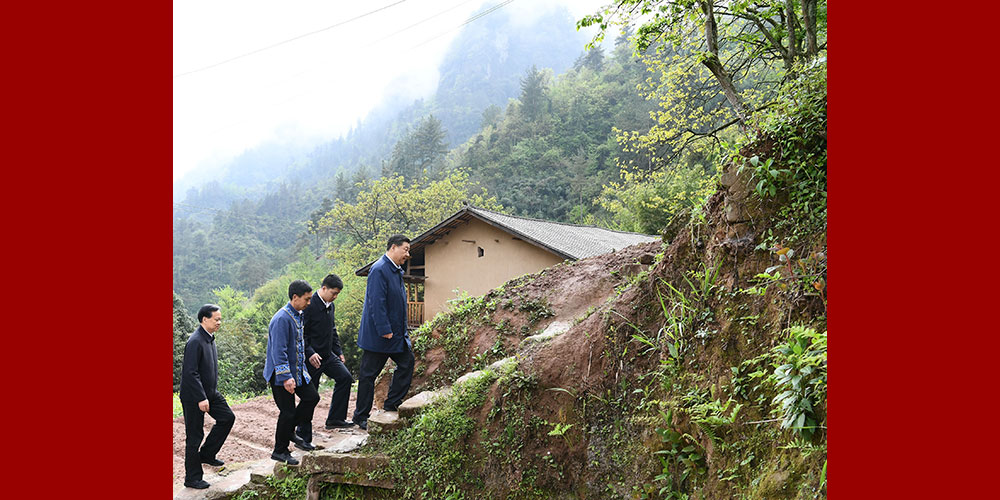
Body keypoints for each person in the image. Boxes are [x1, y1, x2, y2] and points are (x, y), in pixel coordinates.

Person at [352, 234, 414, 430]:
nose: (408, 254)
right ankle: (360, 416)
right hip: (380, 336)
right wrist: (384, 329)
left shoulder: (396, 270)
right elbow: (376, 302)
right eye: (405, 249)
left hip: (395, 335)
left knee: (407, 362)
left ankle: (391, 404)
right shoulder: (379, 269)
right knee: (368, 375)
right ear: (393, 247)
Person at [263, 280, 320, 465]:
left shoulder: (298, 314)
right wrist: (286, 377)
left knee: (312, 397)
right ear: (295, 297)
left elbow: (298, 344)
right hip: (281, 373)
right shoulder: (282, 318)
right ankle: (279, 450)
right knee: (287, 413)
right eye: (307, 299)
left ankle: (289, 432)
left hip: (298, 369)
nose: (309, 302)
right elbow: (278, 351)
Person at [294, 273, 355, 449]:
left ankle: (335, 418)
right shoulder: (309, 306)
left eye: (337, 294)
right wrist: (310, 352)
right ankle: (302, 435)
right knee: (310, 397)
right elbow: (301, 334)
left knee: (345, 378)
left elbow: (332, 330)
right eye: (333, 293)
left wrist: (339, 351)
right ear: (324, 288)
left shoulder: (331, 305)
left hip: (327, 355)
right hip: (311, 358)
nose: (335, 296)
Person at [179, 304, 235, 490]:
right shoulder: (195, 341)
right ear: (204, 319)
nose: (219, 322)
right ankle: (192, 478)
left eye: (220, 319)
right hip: (194, 396)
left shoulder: (209, 338)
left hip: (210, 393)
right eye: (216, 319)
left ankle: (208, 454)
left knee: (227, 417)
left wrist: (209, 394)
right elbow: (190, 373)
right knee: (194, 436)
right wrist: (201, 398)